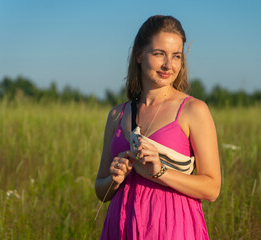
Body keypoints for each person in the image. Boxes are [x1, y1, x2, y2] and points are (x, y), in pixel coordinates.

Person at [95, 15, 221, 239]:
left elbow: (212, 188)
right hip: (120, 226)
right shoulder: (116, 114)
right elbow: (101, 191)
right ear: (139, 54)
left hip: (172, 228)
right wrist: (113, 180)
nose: (168, 65)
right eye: (159, 54)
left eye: (176, 56)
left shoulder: (194, 110)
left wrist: (161, 172)